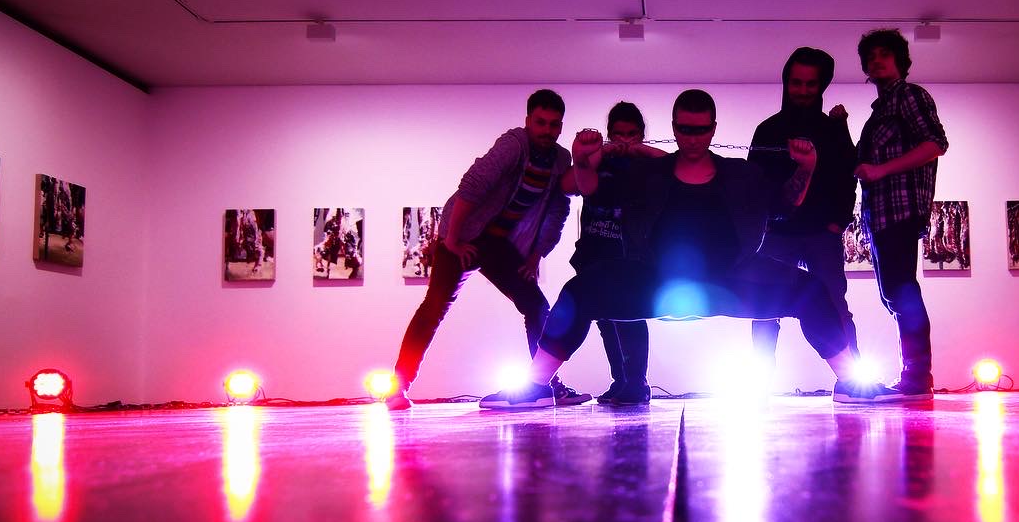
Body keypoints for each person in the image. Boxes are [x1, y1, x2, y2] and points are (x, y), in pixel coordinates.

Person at [481, 89, 901, 409]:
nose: (693, 137)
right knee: (579, 292)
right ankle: (534, 388)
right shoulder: (650, 173)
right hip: (654, 279)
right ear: (674, 126)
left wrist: (805, 170)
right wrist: (584, 161)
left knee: (810, 291)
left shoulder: (740, 175)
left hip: (731, 278)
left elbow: (786, 202)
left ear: (714, 128)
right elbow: (585, 188)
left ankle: (850, 382)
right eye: (684, 128)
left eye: (701, 129)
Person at [386, 89, 589, 410]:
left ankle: (545, 385)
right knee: (435, 306)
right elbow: (472, 185)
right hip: (463, 237)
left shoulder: (561, 160)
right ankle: (397, 388)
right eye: (540, 122)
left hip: (498, 245)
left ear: (561, 127)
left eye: (553, 125)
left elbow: (556, 210)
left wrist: (536, 256)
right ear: (528, 121)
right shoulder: (513, 145)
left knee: (536, 306)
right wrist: (452, 240)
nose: (546, 130)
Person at [747, 47, 859, 368]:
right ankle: (760, 381)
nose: (803, 90)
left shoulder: (833, 131)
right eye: (797, 82)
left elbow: (847, 179)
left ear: (821, 86)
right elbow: (753, 184)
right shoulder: (766, 130)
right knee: (765, 308)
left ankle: (853, 379)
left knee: (836, 304)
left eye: (811, 84)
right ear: (786, 83)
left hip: (821, 234)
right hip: (777, 234)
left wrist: (837, 222)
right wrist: (763, 226)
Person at [853, 29, 948, 400]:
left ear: (900, 61)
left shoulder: (909, 96)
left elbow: (935, 143)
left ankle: (917, 376)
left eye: (884, 55)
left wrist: (882, 169)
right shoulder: (879, 111)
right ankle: (913, 376)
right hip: (881, 215)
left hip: (902, 209)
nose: (876, 61)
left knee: (903, 290)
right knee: (894, 292)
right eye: (871, 56)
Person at [563, 102, 667, 406]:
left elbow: (671, 164)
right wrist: (602, 152)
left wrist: (640, 150)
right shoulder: (598, 162)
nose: (624, 140)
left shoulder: (647, 166)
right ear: (609, 133)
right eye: (618, 134)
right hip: (594, 250)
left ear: (641, 134)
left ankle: (637, 382)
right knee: (604, 319)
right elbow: (568, 184)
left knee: (631, 314)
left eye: (631, 134)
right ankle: (620, 380)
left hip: (629, 253)